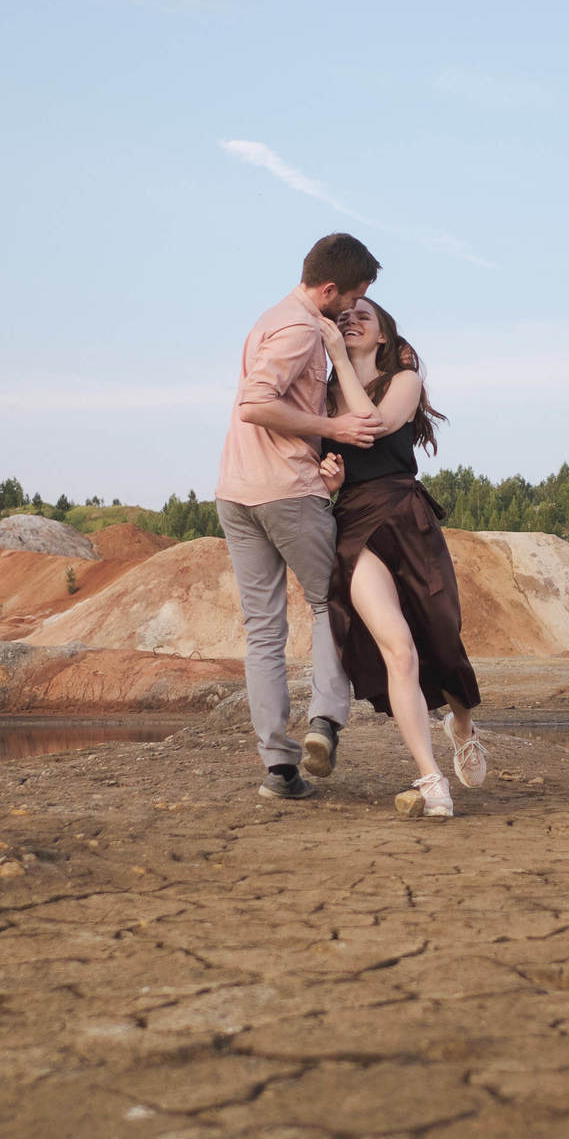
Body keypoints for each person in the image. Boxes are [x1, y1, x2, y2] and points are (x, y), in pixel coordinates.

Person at [216, 233, 384, 800]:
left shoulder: (269, 319)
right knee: (332, 604)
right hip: (285, 490)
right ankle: (324, 725)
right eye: (352, 298)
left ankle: (279, 770)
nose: (353, 310)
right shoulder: (300, 328)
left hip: (235, 490)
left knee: (262, 628)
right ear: (329, 288)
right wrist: (333, 429)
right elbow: (256, 402)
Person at [313, 296, 486, 820]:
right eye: (343, 317)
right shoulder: (322, 397)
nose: (350, 321)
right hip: (355, 524)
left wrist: (339, 360)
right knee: (399, 650)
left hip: (405, 515)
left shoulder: (402, 380)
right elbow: (323, 457)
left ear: (383, 334)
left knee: (442, 640)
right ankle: (431, 778)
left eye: (361, 316)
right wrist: (330, 482)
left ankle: (462, 725)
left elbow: (374, 426)